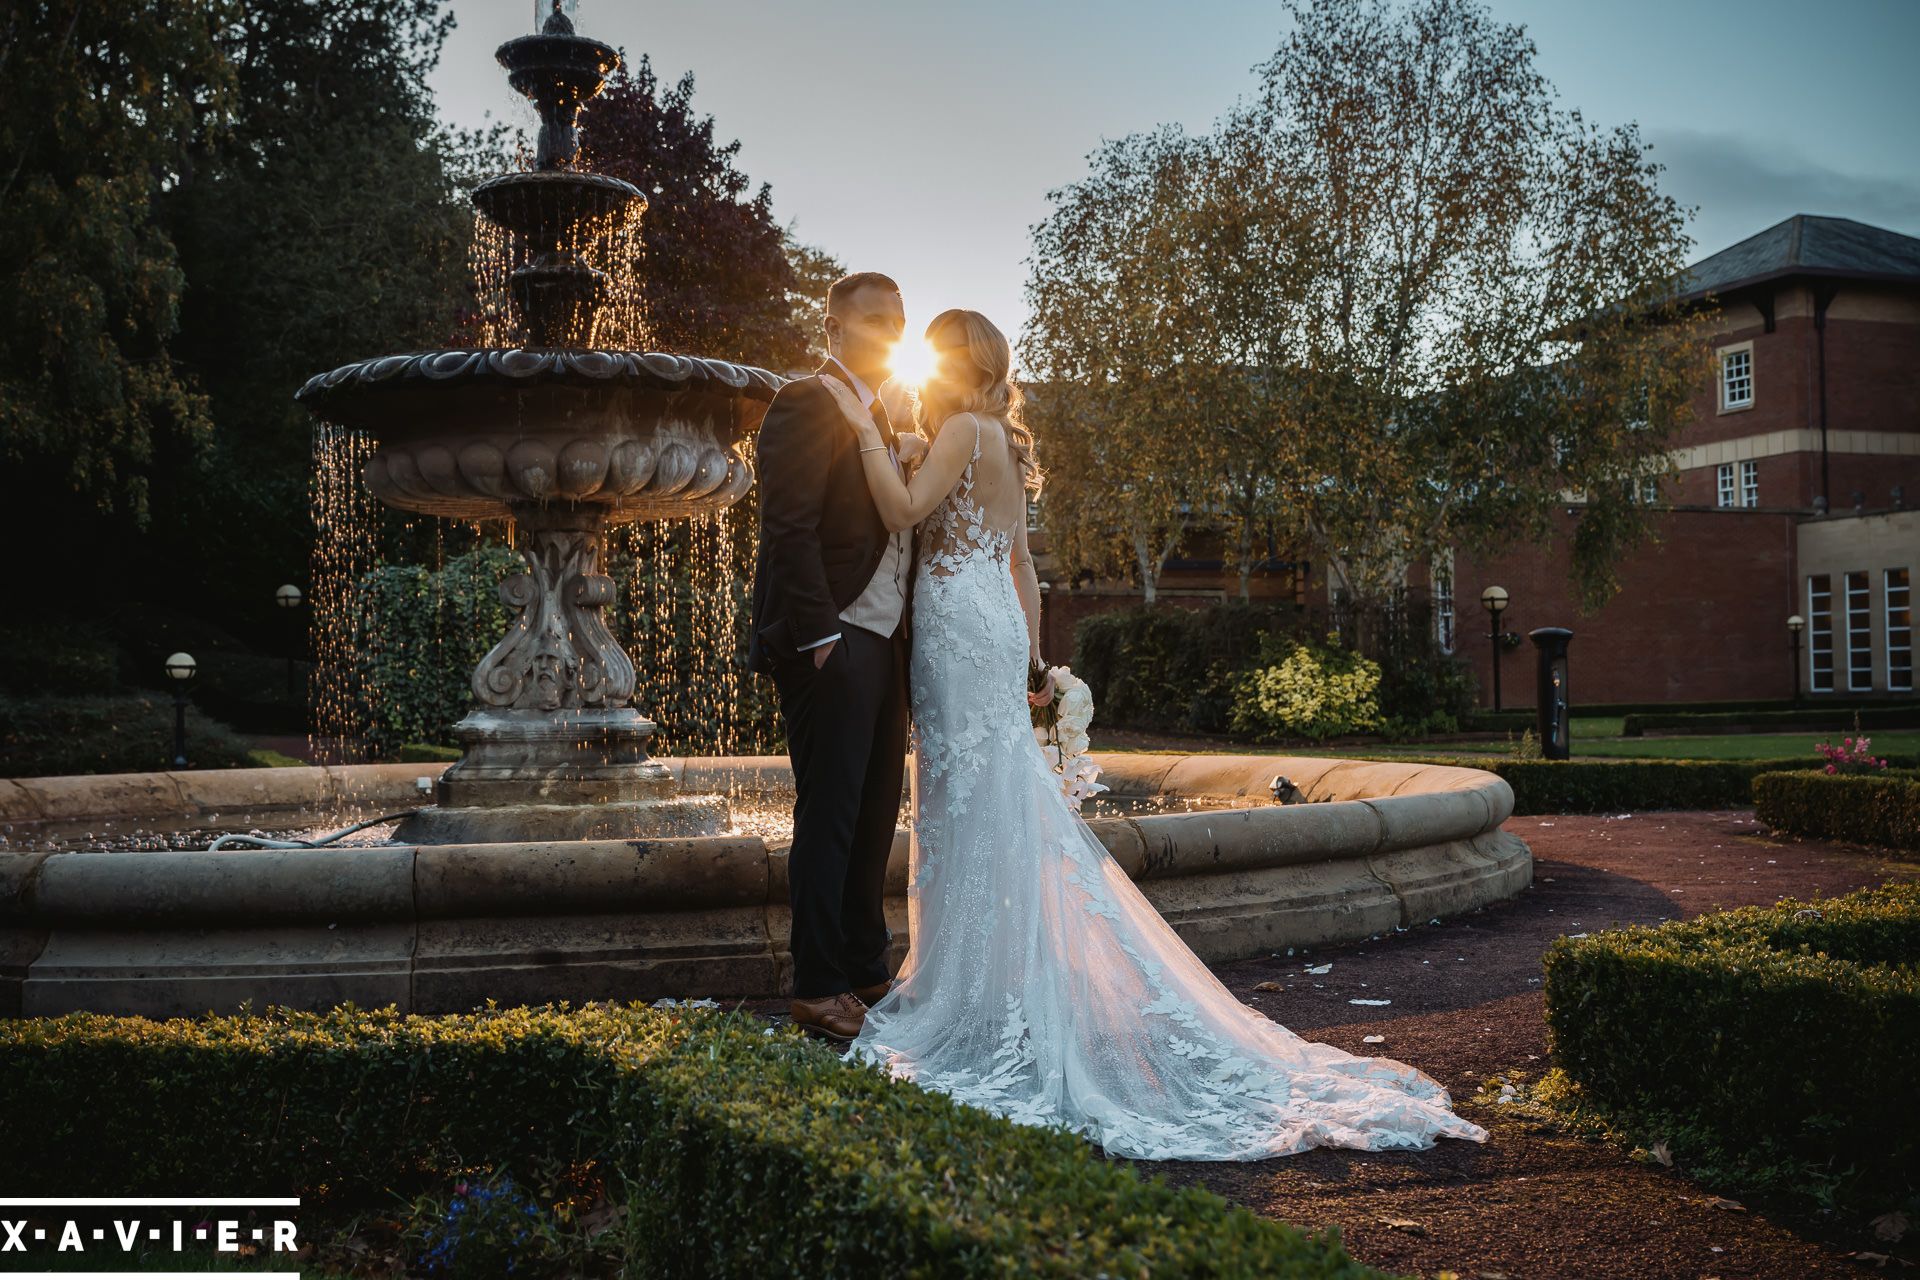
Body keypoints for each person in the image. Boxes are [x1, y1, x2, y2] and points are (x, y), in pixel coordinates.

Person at [813, 307, 1489, 1160]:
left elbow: (907, 511)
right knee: (996, 793)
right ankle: (994, 980)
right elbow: (1023, 561)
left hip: (952, 627)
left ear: (948, 365)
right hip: (991, 626)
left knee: (960, 797)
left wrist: (863, 435)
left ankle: (972, 990)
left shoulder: (960, 430)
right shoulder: (1000, 444)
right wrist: (1032, 658)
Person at [746, 271, 922, 1042]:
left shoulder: (889, 413)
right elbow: (787, 529)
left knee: (878, 807)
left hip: (884, 641)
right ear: (835, 332)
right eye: (875, 321)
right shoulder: (805, 401)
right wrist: (820, 638)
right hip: (832, 639)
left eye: (898, 321)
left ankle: (866, 967)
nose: (890, 333)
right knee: (831, 813)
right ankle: (817, 985)